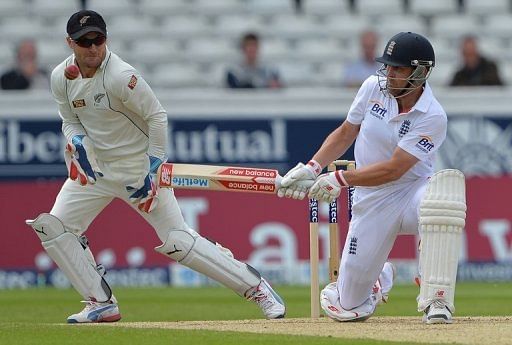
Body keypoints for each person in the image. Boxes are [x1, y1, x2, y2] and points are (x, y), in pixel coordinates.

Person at [26, 10, 285, 323]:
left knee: (178, 240)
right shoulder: (60, 78)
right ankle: (100, 302)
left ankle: (256, 287)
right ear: (70, 42)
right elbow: (70, 120)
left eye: (99, 39)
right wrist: (78, 142)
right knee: (54, 228)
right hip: (96, 171)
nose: (93, 47)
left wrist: (153, 168)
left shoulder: (121, 75)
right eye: (84, 42)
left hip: (138, 170)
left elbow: (157, 116)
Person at [277, 32, 466, 324]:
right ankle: (378, 280)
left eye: (398, 69)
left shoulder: (433, 116)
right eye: (387, 66)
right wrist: (313, 167)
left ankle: (436, 299)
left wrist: (340, 179)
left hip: (412, 191)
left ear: (421, 72)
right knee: (347, 307)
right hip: (372, 199)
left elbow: (394, 169)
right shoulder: (371, 88)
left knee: (441, 200)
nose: (388, 74)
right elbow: (346, 132)